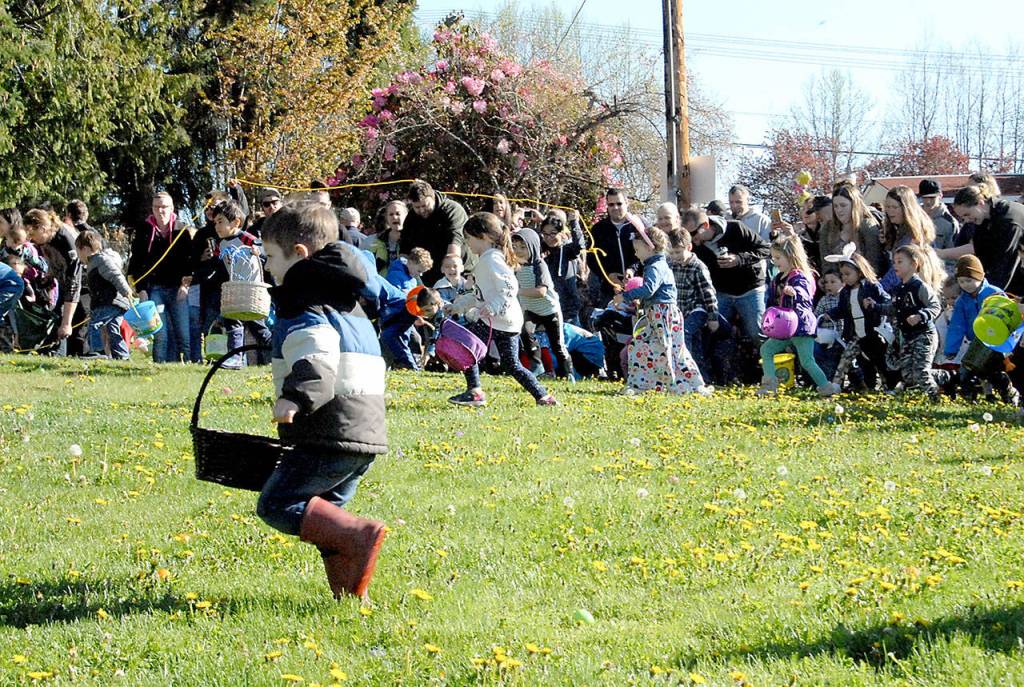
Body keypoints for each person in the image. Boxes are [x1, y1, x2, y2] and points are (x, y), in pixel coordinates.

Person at [257, 202, 387, 601]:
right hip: (364, 426)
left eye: (271, 258)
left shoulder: (300, 296)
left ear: (299, 254)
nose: (268, 268)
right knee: (324, 517)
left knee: (278, 504)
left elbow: (318, 352)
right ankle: (352, 597)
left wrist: (295, 397)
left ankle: (360, 535)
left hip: (328, 428)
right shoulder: (347, 297)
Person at [446, 212, 557, 407]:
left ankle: (475, 392)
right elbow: (479, 294)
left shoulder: (491, 260)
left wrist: (493, 307)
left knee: (468, 348)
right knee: (512, 364)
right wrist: (458, 306)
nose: (467, 244)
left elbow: (510, 287)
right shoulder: (488, 259)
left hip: (497, 319)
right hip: (505, 321)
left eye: (469, 239)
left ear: (485, 237)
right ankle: (543, 397)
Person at [614, 224, 709, 396]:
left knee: (668, 349)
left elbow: (648, 289)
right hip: (657, 314)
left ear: (649, 247)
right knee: (646, 347)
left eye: (637, 249)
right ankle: (643, 385)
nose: (635, 253)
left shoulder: (655, 266)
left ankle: (687, 385)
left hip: (662, 314)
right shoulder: (656, 264)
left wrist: (626, 296)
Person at [757, 235, 840, 397]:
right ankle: (769, 386)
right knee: (766, 350)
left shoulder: (800, 276)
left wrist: (795, 292)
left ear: (791, 255)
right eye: (773, 258)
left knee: (807, 361)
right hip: (784, 327)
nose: (775, 261)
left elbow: (804, 294)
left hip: (801, 326)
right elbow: (773, 300)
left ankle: (826, 387)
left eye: (778, 257)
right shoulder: (777, 278)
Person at [865, 245, 950, 399]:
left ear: (914, 264)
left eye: (899, 262)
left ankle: (935, 397)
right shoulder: (899, 288)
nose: (895, 265)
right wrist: (875, 306)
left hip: (924, 335)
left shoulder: (920, 286)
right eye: (894, 262)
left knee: (921, 371)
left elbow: (935, 306)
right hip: (908, 336)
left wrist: (920, 315)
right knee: (907, 374)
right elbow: (893, 309)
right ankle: (944, 376)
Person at [683, 207, 771, 344]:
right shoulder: (695, 246)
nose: (692, 240)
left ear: (705, 225)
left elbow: (765, 249)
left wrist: (739, 259)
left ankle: (763, 362)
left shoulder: (736, 228)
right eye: (687, 235)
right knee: (715, 334)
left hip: (750, 289)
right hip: (722, 292)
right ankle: (730, 360)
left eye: (693, 234)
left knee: (758, 333)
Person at [202, 199, 272, 369]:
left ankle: (276, 354)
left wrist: (259, 252)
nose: (217, 226)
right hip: (234, 289)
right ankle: (235, 357)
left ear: (236, 222)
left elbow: (264, 251)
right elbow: (218, 265)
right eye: (215, 222)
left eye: (221, 222)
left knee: (258, 327)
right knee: (231, 320)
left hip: (251, 290)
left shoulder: (246, 238)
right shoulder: (221, 243)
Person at [942, 255, 1019, 406]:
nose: (966, 285)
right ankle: (972, 398)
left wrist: (1010, 340)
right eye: (961, 281)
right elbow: (957, 326)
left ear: (980, 276)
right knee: (977, 370)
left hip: (996, 341)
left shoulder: (994, 294)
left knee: (980, 368)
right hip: (976, 341)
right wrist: (951, 348)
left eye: (969, 280)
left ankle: (1008, 392)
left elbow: (1009, 316)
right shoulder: (963, 301)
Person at [126, 192, 193, 363]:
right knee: (160, 334)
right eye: (157, 207)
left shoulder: (182, 230)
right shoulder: (144, 231)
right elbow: (135, 263)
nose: (161, 211)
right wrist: (140, 290)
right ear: (152, 209)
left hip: (178, 288)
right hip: (154, 289)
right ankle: (159, 366)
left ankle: (188, 368)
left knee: (183, 333)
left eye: (164, 207)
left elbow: (189, 263)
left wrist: (185, 286)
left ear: (171, 208)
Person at [511, 227, 574, 379]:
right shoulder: (515, 266)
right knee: (524, 333)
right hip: (530, 310)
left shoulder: (539, 265)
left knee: (557, 344)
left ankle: (567, 374)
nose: (518, 251)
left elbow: (541, 291)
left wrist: (516, 291)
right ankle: (537, 366)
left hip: (549, 311)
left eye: (523, 247)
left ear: (533, 247)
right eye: (514, 247)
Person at [826, 251, 893, 391]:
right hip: (855, 333)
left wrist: (874, 305)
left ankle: (888, 386)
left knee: (878, 360)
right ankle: (835, 385)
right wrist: (830, 315)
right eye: (842, 274)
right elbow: (842, 309)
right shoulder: (845, 292)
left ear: (860, 271)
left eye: (847, 274)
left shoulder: (871, 286)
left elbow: (886, 300)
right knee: (846, 358)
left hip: (873, 332)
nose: (845, 278)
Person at [666, 227, 720, 384]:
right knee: (696, 347)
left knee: (684, 334)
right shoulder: (671, 265)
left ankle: (685, 373)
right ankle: (702, 379)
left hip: (697, 309)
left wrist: (713, 316)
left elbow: (708, 294)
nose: (675, 256)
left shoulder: (698, 267)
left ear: (689, 247)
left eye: (678, 252)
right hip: (679, 311)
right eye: (672, 252)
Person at [24, 208, 82, 355]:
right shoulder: (43, 240)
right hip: (63, 285)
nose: (30, 239)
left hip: (83, 288)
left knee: (75, 333)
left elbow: (74, 282)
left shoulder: (65, 240)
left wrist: (67, 323)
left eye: (32, 234)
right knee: (55, 321)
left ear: (43, 229)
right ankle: (53, 354)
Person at [951, 185, 1024, 295]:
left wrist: (987, 294)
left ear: (981, 203)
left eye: (967, 214)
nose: (966, 220)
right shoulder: (983, 220)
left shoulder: (1010, 220)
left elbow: (1006, 263)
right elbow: (982, 257)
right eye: (963, 217)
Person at [400, 180, 472, 285]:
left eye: (425, 205)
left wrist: (450, 271)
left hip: (459, 272)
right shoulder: (411, 218)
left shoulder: (452, 210)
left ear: (433, 198)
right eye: (417, 207)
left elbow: (455, 241)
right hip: (429, 276)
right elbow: (405, 248)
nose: (421, 210)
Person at [75, 230, 133, 359]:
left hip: (108, 302)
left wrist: (126, 290)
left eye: (78, 252)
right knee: (113, 330)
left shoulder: (101, 260)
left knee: (95, 324)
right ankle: (122, 355)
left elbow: (115, 275)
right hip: (116, 303)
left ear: (84, 249)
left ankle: (97, 351)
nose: (79, 256)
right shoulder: (94, 262)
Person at [880, 185, 945, 293]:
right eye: (887, 207)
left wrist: (879, 289)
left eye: (894, 207)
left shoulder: (915, 234)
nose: (889, 211)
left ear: (906, 208)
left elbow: (901, 268)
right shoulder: (897, 229)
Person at [820, 183, 885, 276]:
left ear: (854, 205)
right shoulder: (827, 229)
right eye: (836, 206)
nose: (839, 210)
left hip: (865, 282)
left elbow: (874, 263)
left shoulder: (867, 226)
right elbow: (826, 264)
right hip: (836, 284)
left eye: (843, 205)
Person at [587, 188, 638, 305]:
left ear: (627, 203)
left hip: (637, 287)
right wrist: (608, 275)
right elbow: (592, 259)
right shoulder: (598, 229)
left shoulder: (638, 226)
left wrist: (632, 270)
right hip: (609, 290)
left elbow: (648, 253)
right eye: (611, 204)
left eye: (619, 204)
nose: (615, 208)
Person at [540, 210, 586, 326]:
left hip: (569, 309)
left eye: (553, 233)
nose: (549, 238)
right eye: (545, 234)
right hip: (549, 308)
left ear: (561, 233)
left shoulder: (567, 250)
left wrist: (574, 222)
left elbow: (579, 245)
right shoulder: (542, 251)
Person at [380, 286, 442, 370]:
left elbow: (437, 335)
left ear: (437, 303)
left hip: (443, 345)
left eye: (428, 310)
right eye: (422, 311)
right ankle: (409, 365)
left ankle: (413, 365)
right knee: (406, 339)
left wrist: (429, 353)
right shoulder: (411, 308)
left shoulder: (441, 313)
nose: (425, 314)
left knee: (413, 339)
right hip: (393, 324)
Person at [918, 179, 959, 271]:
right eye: (925, 197)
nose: (928, 201)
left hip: (939, 270)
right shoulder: (914, 217)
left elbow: (952, 256)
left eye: (932, 198)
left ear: (940, 196)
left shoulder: (950, 223)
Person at [813, 268, 844, 382]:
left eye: (833, 282)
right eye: (826, 282)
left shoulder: (844, 298)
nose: (829, 285)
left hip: (841, 336)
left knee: (840, 358)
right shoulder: (824, 300)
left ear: (843, 282)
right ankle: (826, 379)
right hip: (825, 336)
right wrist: (823, 318)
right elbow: (816, 316)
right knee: (823, 356)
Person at [365, 200, 406, 275]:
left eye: (398, 214)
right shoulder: (377, 241)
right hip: (383, 284)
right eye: (391, 214)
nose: (394, 217)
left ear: (406, 216)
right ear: (386, 218)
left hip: (408, 285)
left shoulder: (412, 240)